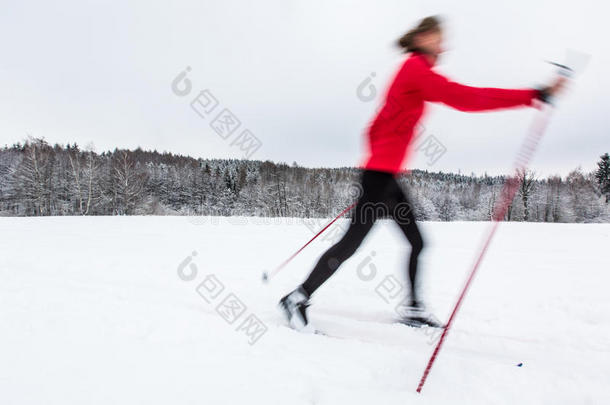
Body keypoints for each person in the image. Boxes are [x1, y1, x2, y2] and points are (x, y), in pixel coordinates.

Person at [280, 16, 565, 331]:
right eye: (439, 37)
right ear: (423, 37)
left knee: (416, 242)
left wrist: (381, 158)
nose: (444, 44)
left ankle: (413, 309)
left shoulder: (411, 71)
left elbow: (373, 129)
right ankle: (297, 297)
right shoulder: (415, 69)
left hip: (385, 178)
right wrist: (533, 95)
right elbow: (467, 98)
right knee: (351, 244)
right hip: (380, 178)